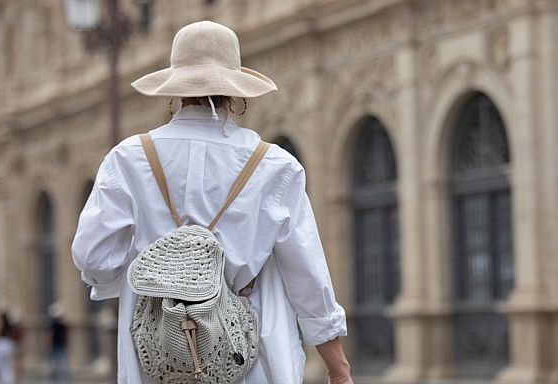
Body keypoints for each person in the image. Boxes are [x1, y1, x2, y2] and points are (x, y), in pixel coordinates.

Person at [72, 20, 352, 384]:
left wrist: (142, 276)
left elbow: (92, 256)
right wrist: (338, 367)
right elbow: (308, 276)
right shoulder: (275, 167)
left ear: (175, 90)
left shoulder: (128, 159)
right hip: (250, 358)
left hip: (158, 361)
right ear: (235, 93)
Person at [47, 303, 69, 381]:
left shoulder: (52, 325)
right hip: (61, 345)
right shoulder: (63, 326)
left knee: (55, 364)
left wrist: (49, 346)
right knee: (62, 364)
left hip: (55, 346)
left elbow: (50, 336)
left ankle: (54, 380)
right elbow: (65, 336)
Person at [0, 312, 15, 384]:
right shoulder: (9, 326)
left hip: (1, 345)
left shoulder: (0, 325)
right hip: (8, 345)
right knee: (7, 366)